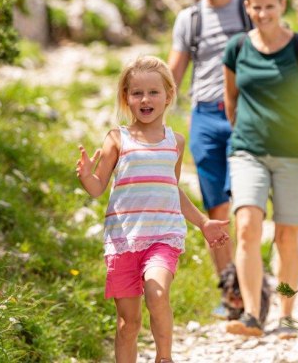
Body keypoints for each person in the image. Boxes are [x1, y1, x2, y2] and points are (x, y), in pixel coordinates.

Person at [76, 56, 231, 363]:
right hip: (123, 240)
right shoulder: (117, 138)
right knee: (127, 324)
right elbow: (97, 188)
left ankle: (164, 357)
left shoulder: (175, 141)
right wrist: (86, 177)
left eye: (153, 92)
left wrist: (203, 222)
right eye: (137, 93)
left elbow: (171, 188)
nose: (145, 99)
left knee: (157, 292)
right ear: (126, 98)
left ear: (168, 96)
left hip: (163, 236)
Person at [221, 0, 298, 337]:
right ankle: (251, 314)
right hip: (247, 150)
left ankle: (286, 316)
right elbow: (230, 99)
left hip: (294, 153)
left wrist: (291, 130)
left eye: (269, 6)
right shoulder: (236, 47)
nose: (263, 13)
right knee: (247, 226)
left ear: (282, 6)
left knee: (286, 236)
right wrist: (247, 131)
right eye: (255, 6)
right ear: (247, 8)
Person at [167, 0, 252, 317]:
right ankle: (230, 292)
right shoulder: (190, 19)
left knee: (247, 205)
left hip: (246, 115)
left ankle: (252, 287)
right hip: (204, 117)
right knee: (216, 208)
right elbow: (172, 74)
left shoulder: (248, 9)